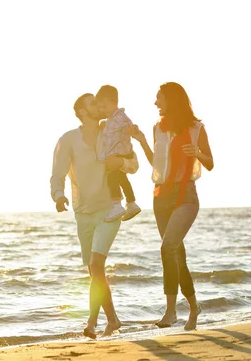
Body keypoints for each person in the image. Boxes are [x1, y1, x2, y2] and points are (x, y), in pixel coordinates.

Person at [50, 92, 139, 338]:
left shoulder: (112, 131)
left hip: (110, 210)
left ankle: (92, 322)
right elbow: (57, 173)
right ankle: (112, 319)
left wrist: (119, 164)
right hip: (83, 212)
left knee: (96, 265)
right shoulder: (68, 139)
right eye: (92, 104)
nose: (98, 106)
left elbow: (134, 165)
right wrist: (58, 195)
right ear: (81, 112)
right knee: (93, 270)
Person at [130, 82, 214, 331]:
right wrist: (143, 140)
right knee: (176, 254)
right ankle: (193, 308)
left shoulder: (196, 128)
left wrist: (197, 152)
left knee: (167, 247)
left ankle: (170, 311)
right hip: (161, 197)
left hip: (186, 195)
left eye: (159, 98)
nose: (155, 103)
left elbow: (210, 163)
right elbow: (155, 163)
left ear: (172, 100)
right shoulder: (157, 128)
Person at [95, 85, 141, 222]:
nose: (102, 110)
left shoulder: (120, 116)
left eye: (104, 106)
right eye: (100, 108)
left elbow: (128, 125)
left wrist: (133, 129)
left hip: (120, 154)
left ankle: (117, 204)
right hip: (117, 154)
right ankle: (132, 203)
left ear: (114, 102)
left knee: (112, 178)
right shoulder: (109, 120)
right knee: (122, 179)